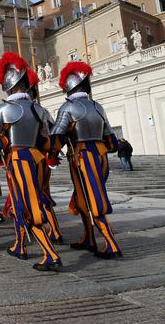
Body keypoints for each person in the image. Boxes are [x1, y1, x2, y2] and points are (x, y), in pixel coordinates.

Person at [0, 52, 62, 271]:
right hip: (37, 160)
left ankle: (50, 254)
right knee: (20, 202)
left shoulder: (4, 109)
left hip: (18, 160)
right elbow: (50, 140)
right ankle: (19, 244)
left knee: (29, 205)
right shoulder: (39, 109)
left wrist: (0, 149)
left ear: (8, 84)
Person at [50, 61, 123, 259]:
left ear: (69, 86)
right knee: (83, 198)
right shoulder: (97, 106)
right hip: (100, 156)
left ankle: (111, 244)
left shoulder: (68, 106)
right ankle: (89, 237)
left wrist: (51, 155)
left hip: (83, 157)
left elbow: (57, 136)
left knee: (92, 199)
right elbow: (111, 139)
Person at [27, 68, 63, 243]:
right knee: (44, 193)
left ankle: (36, 229)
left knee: (28, 195)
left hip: (26, 159)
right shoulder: (43, 111)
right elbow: (53, 132)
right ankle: (55, 230)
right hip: (42, 158)